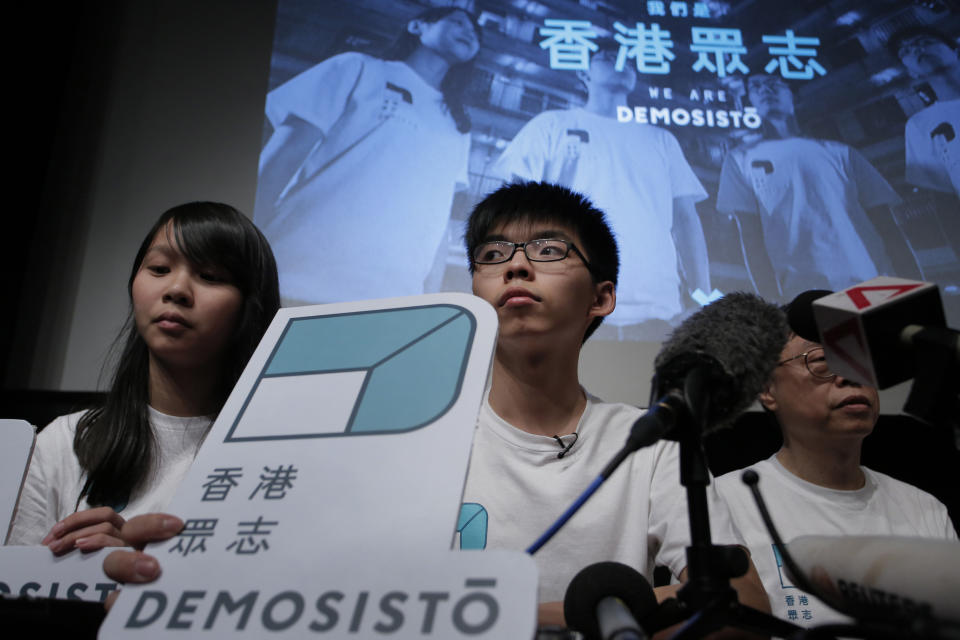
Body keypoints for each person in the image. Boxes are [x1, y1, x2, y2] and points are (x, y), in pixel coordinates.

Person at [101, 182, 769, 635]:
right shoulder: (406, 428)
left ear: (602, 298)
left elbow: (738, 599)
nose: (516, 267)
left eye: (547, 250)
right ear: (474, 287)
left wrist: (497, 617)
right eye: (493, 254)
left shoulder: (644, 439)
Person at [7, 202, 281, 552]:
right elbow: (16, 589)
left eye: (210, 276)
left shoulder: (275, 449)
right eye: (159, 268)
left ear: (250, 306)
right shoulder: (66, 441)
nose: (177, 289)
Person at [713, 322, 958, 628]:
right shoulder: (722, 501)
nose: (849, 377)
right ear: (767, 390)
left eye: (860, 363)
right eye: (822, 362)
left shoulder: (924, 508)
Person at [254, 7, 480, 305]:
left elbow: (438, 218)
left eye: (476, 33)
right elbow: (280, 160)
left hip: (388, 302)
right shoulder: (359, 68)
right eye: (457, 22)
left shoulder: (458, 125)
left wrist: (427, 301)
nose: (469, 32)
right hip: (295, 277)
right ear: (416, 26)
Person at [492, 47, 709, 338]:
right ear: (584, 74)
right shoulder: (551, 125)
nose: (622, 62)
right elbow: (507, 213)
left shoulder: (661, 139)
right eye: (608, 57)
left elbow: (687, 222)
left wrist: (703, 297)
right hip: (565, 307)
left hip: (658, 309)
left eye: (630, 60)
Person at [716, 73, 916, 301]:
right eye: (756, 87)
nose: (765, 90)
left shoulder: (840, 152)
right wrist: (768, 301)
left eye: (774, 84)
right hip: (802, 295)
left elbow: (886, 223)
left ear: (793, 95)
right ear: (749, 100)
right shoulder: (739, 158)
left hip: (873, 286)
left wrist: (913, 290)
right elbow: (750, 236)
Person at [889, 25, 960, 199]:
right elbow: (942, 194)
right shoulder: (918, 126)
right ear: (911, 73)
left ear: (956, 52)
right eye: (905, 52)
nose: (916, 49)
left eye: (926, 41)